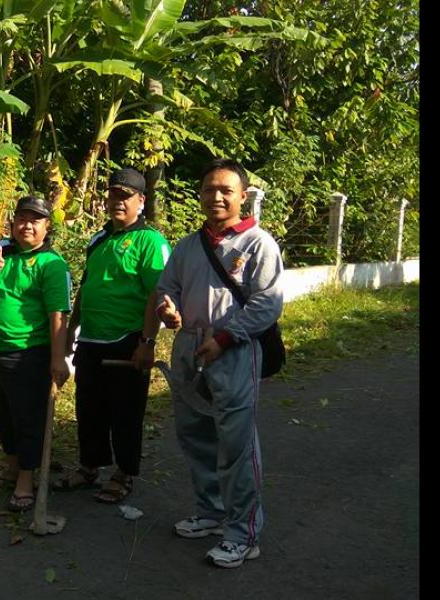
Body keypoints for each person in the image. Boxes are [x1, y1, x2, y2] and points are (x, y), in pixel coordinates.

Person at [156, 158, 283, 569]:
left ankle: (242, 533)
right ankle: (210, 512)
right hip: (189, 348)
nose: (217, 196)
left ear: (242, 197)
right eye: (210, 189)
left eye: (226, 190)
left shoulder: (258, 244)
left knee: (236, 444)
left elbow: (267, 304)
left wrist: (225, 339)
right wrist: (167, 308)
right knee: (196, 436)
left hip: (233, 351)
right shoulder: (188, 246)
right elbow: (166, 287)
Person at [57, 167, 170, 504]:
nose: (118, 202)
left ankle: (124, 473)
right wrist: (70, 329)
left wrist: (148, 343)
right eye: (113, 195)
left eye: (126, 197)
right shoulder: (100, 239)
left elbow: (158, 294)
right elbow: (86, 287)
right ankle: (89, 467)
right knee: (89, 408)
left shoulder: (151, 242)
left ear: (141, 201)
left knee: (126, 412)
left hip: (128, 339)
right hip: (91, 340)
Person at [0, 196, 71, 512]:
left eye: (35, 220)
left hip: (29, 353)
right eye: (22, 218)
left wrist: (58, 359)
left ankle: (25, 480)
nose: (27, 225)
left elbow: (58, 313)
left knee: (28, 418)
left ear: (47, 226)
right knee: (3, 413)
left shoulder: (51, 264)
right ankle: (12, 467)